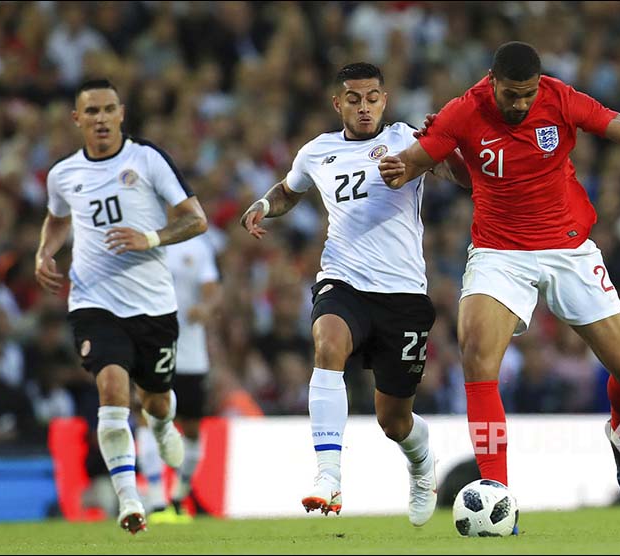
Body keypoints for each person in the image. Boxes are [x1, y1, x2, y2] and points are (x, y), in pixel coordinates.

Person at [379, 42, 620, 502]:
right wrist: (396, 168)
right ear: (492, 80)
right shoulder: (463, 112)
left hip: (569, 251)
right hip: (499, 253)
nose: (520, 104)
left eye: (527, 94)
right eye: (511, 95)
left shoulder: (561, 99)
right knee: (477, 357)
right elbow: (421, 164)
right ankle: (496, 491)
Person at [240, 62, 469, 526]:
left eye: (372, 98)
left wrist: (441, 150)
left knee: (394, 421)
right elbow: (289, 190)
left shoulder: (408, 139)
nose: (363, 107)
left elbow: (464, 180)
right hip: (343, 279)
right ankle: (329, 476)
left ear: (384, 100)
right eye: (354, 98)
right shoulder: (316, 152)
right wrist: (265, 204)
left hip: (403, 293)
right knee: (328, 344)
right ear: (338, 103)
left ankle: (422, 465)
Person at [35, 78, 208, 533]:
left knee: (155, 402)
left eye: (108, 109)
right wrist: (44, 251)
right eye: (91, 111)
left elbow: (196, 218)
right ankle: (130, 499)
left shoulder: (146, 159)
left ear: (121, 113)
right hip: (94, 302)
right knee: (112, 391)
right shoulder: (63, 174)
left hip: (153, 306)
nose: (101, 119)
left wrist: (150, 238)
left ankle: (163, 426)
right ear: (77, 119)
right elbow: (56, 219)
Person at [136, 233, 222, 524]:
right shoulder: (145, 239)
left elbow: (212, 288)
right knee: (150, 418)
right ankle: (157, 500)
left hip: (191, 353)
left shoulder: (197, 247)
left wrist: (207, 309)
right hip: (152, 345)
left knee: (193, 427)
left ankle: (178, 496)